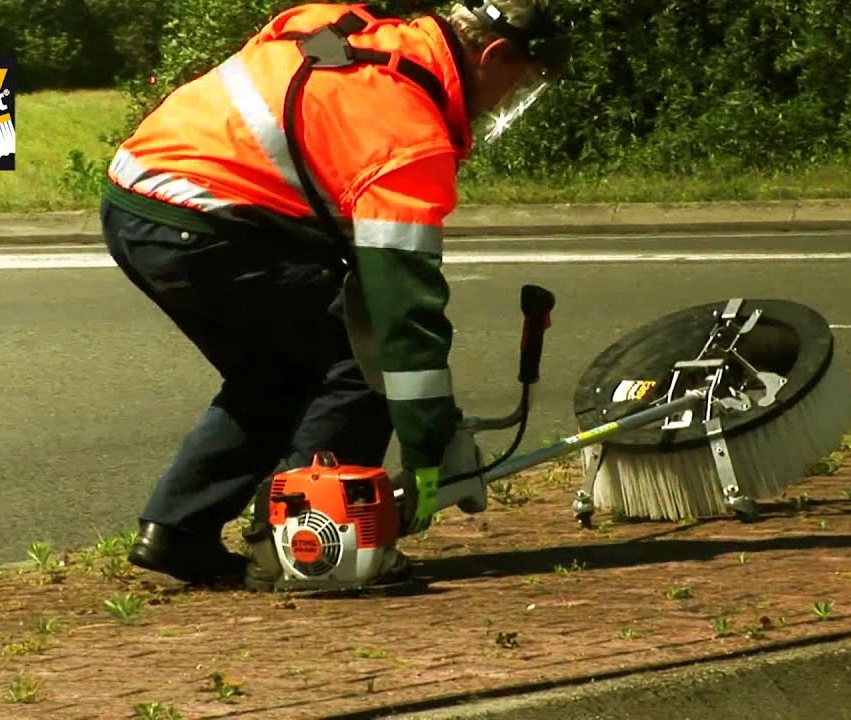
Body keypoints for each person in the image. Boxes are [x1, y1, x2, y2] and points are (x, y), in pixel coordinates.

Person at [99, 0, 570, 588]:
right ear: (493, 55)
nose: (506, 98)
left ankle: (177, 532)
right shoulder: (408, 136)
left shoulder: (357, 32)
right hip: (204, 222)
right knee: (359, 360)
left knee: (276, 373)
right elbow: (403, 318)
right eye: (518, 81)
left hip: (135, 200)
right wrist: (428, 445)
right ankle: (310, 549)